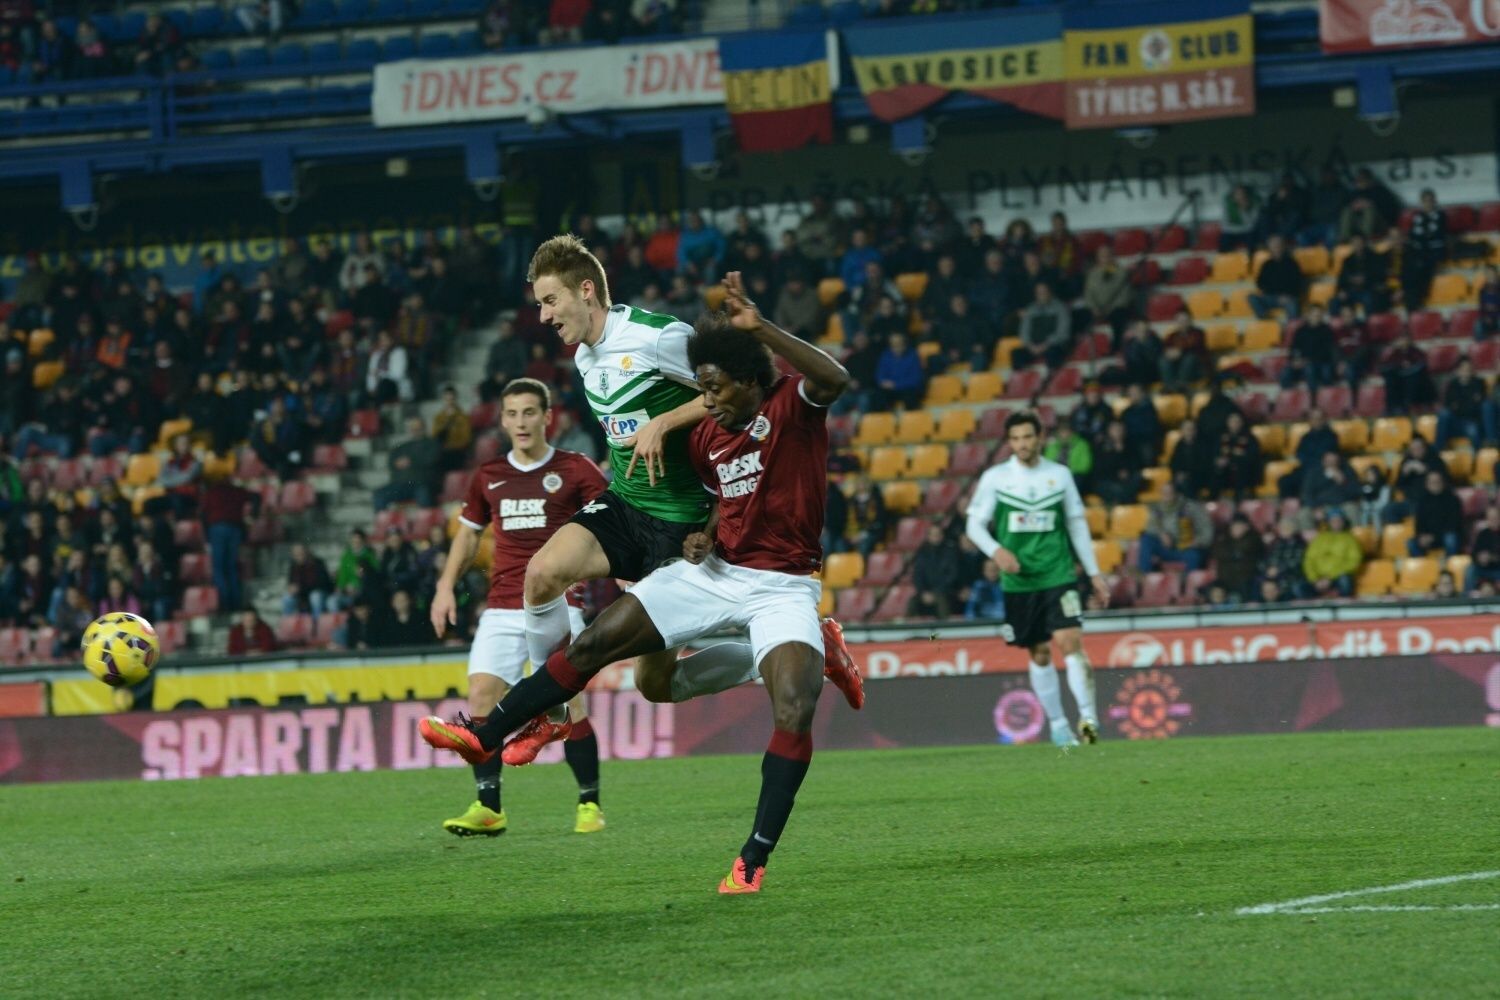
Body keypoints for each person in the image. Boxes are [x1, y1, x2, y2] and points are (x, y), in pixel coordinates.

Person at [419, 271, 860, 895]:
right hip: (713, 572)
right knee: (598, 643)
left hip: (783, 586)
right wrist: (705, 533)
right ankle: (486, 731)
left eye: (714, 390)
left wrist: (760, 328)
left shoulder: (791, 404)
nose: (707, 402)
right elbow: (717, 498)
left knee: (793, 707)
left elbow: (836, 379)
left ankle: (753, 858)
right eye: (700, 391)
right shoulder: (706, 434)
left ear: (749, 379)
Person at [496, 238, 859, 740]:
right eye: (539, 304)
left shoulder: (660, 338)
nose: (542, 316)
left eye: (549, 301)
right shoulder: (584, 357)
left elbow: (731, 389)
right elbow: (627, 431)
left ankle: (810, 652)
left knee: (656, 682)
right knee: (541, 574)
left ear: (585, 290)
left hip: (680, 518)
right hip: (627, 504)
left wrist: (665, 422)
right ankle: (549, 713)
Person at [428, 377, 610, 837]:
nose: (521, 422)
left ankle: (589, 803)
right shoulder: (489, 475)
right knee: (481, 696)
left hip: (559, 600)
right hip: (503, 603)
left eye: (530, 412)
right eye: (512, 414)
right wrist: (445, 586)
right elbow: (468, 535)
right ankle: (489, 807)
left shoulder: (575, 469)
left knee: (568, 701)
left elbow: (613, 521)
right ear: (503, 420)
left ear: (548, 417)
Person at [965, 412, 1110, 748]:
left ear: (1040, 437)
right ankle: (1059, 726)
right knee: (1040, 652)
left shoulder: (1059, 476)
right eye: (1015, 439)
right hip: (1020, 581)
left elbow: (1076, 524)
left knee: (1070, 641)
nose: (1022, 445)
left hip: (1058, 573)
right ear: (1009, 442)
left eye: (1027, 437)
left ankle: (1088, 718)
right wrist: (996, 551)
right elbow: (974, 525)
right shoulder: (996, 478)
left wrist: (1094, 573)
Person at [1138, 480, 1213, 572]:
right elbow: (1150, 527)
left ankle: (1187, 582)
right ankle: (1144, 576)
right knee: (1146, 539)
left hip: (1186, 549)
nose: (1166, 495)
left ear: (1176, 493)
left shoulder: (1191, 508)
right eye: (1163, 493)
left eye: (1169, 492)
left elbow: (1207, 530)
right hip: (1167, 548)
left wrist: (1196, 542)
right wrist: (1161, 534)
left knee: (1194, 556)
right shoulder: (1157, 508)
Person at [373, 416, 442, 511]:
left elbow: (432, 459)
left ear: (424, 427)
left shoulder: (432, 444)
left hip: (422, 483)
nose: (415, 430)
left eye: (418, 427)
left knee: (424, 493)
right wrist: (396, 463)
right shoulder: (402, 447)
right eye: (412, 427)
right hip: (401, 485)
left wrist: (411, 461)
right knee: (380, 494)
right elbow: (392, 462)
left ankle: (427, 522)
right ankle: (384, 523)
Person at [1303, 510, 1362, 598]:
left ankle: (1343, 606)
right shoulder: (1319, 538)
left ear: (1343, 522)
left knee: (1345, 581)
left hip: (1337, 578)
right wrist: (1315, 579)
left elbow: (1354, 561)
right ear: (1329, 522)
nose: (1336, 523)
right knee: (1299, 587)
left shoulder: (1350, 539)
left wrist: (1330, 577)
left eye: (1339, 520)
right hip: (1318, 579)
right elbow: (1309, 560)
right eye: (1333, 521)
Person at [908, 524, 961, 619]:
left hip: (945, 591)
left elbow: (952, 576)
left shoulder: (950, 552)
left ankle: (944, 629)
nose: (936, 537)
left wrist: (936, 591)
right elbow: (917, 575)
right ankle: (909, 629)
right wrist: (923, 592)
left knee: (941, 601)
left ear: (942, 536)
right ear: (928, 536)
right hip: (925, 592)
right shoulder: (922, 554)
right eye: (933, 534)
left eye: (938, 534)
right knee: (912, 602)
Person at [1210, 515, 1266, 603]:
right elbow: (1217, 552)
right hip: (1225, 579)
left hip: (1247, 578)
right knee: (1215, 588)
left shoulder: (1254, 538)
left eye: (1238, 526)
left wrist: (1232, 553)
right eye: (1234, 526)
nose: (1235, 528)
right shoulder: (1223, 538)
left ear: (1246, 527)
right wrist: (1235, 554)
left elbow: (1246, 548)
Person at [1408, 471, 1462, 557]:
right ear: (1427, 484)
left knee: (1450, 539)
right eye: (1432, 482)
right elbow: (1419, 523)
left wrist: (1434, 536)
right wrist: (1422, 536)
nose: (1435, 484)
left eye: (1438, 481)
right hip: (1429, 537)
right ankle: (1424, 567)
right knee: (1411, 543)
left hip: (1445, 535)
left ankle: (1449, 567)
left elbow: (1453, 524)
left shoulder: (1453, 499)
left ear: (1443, 483)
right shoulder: (1422, 501)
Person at [1250, 235, 1305, 319]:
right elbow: (1260, 282)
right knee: (1252, 297)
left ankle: (1292, 327)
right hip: (1271, 297)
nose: (1276, 248)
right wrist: (1270, 293)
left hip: (1288, 297)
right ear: (1269, 248)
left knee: (1292, 304)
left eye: (1278, 245)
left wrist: (1288, 295)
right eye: (1273, 246)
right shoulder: (1266, 265)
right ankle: (1266, 319)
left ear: (1283, 246)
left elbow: (1298, 283)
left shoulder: (1292, 263)